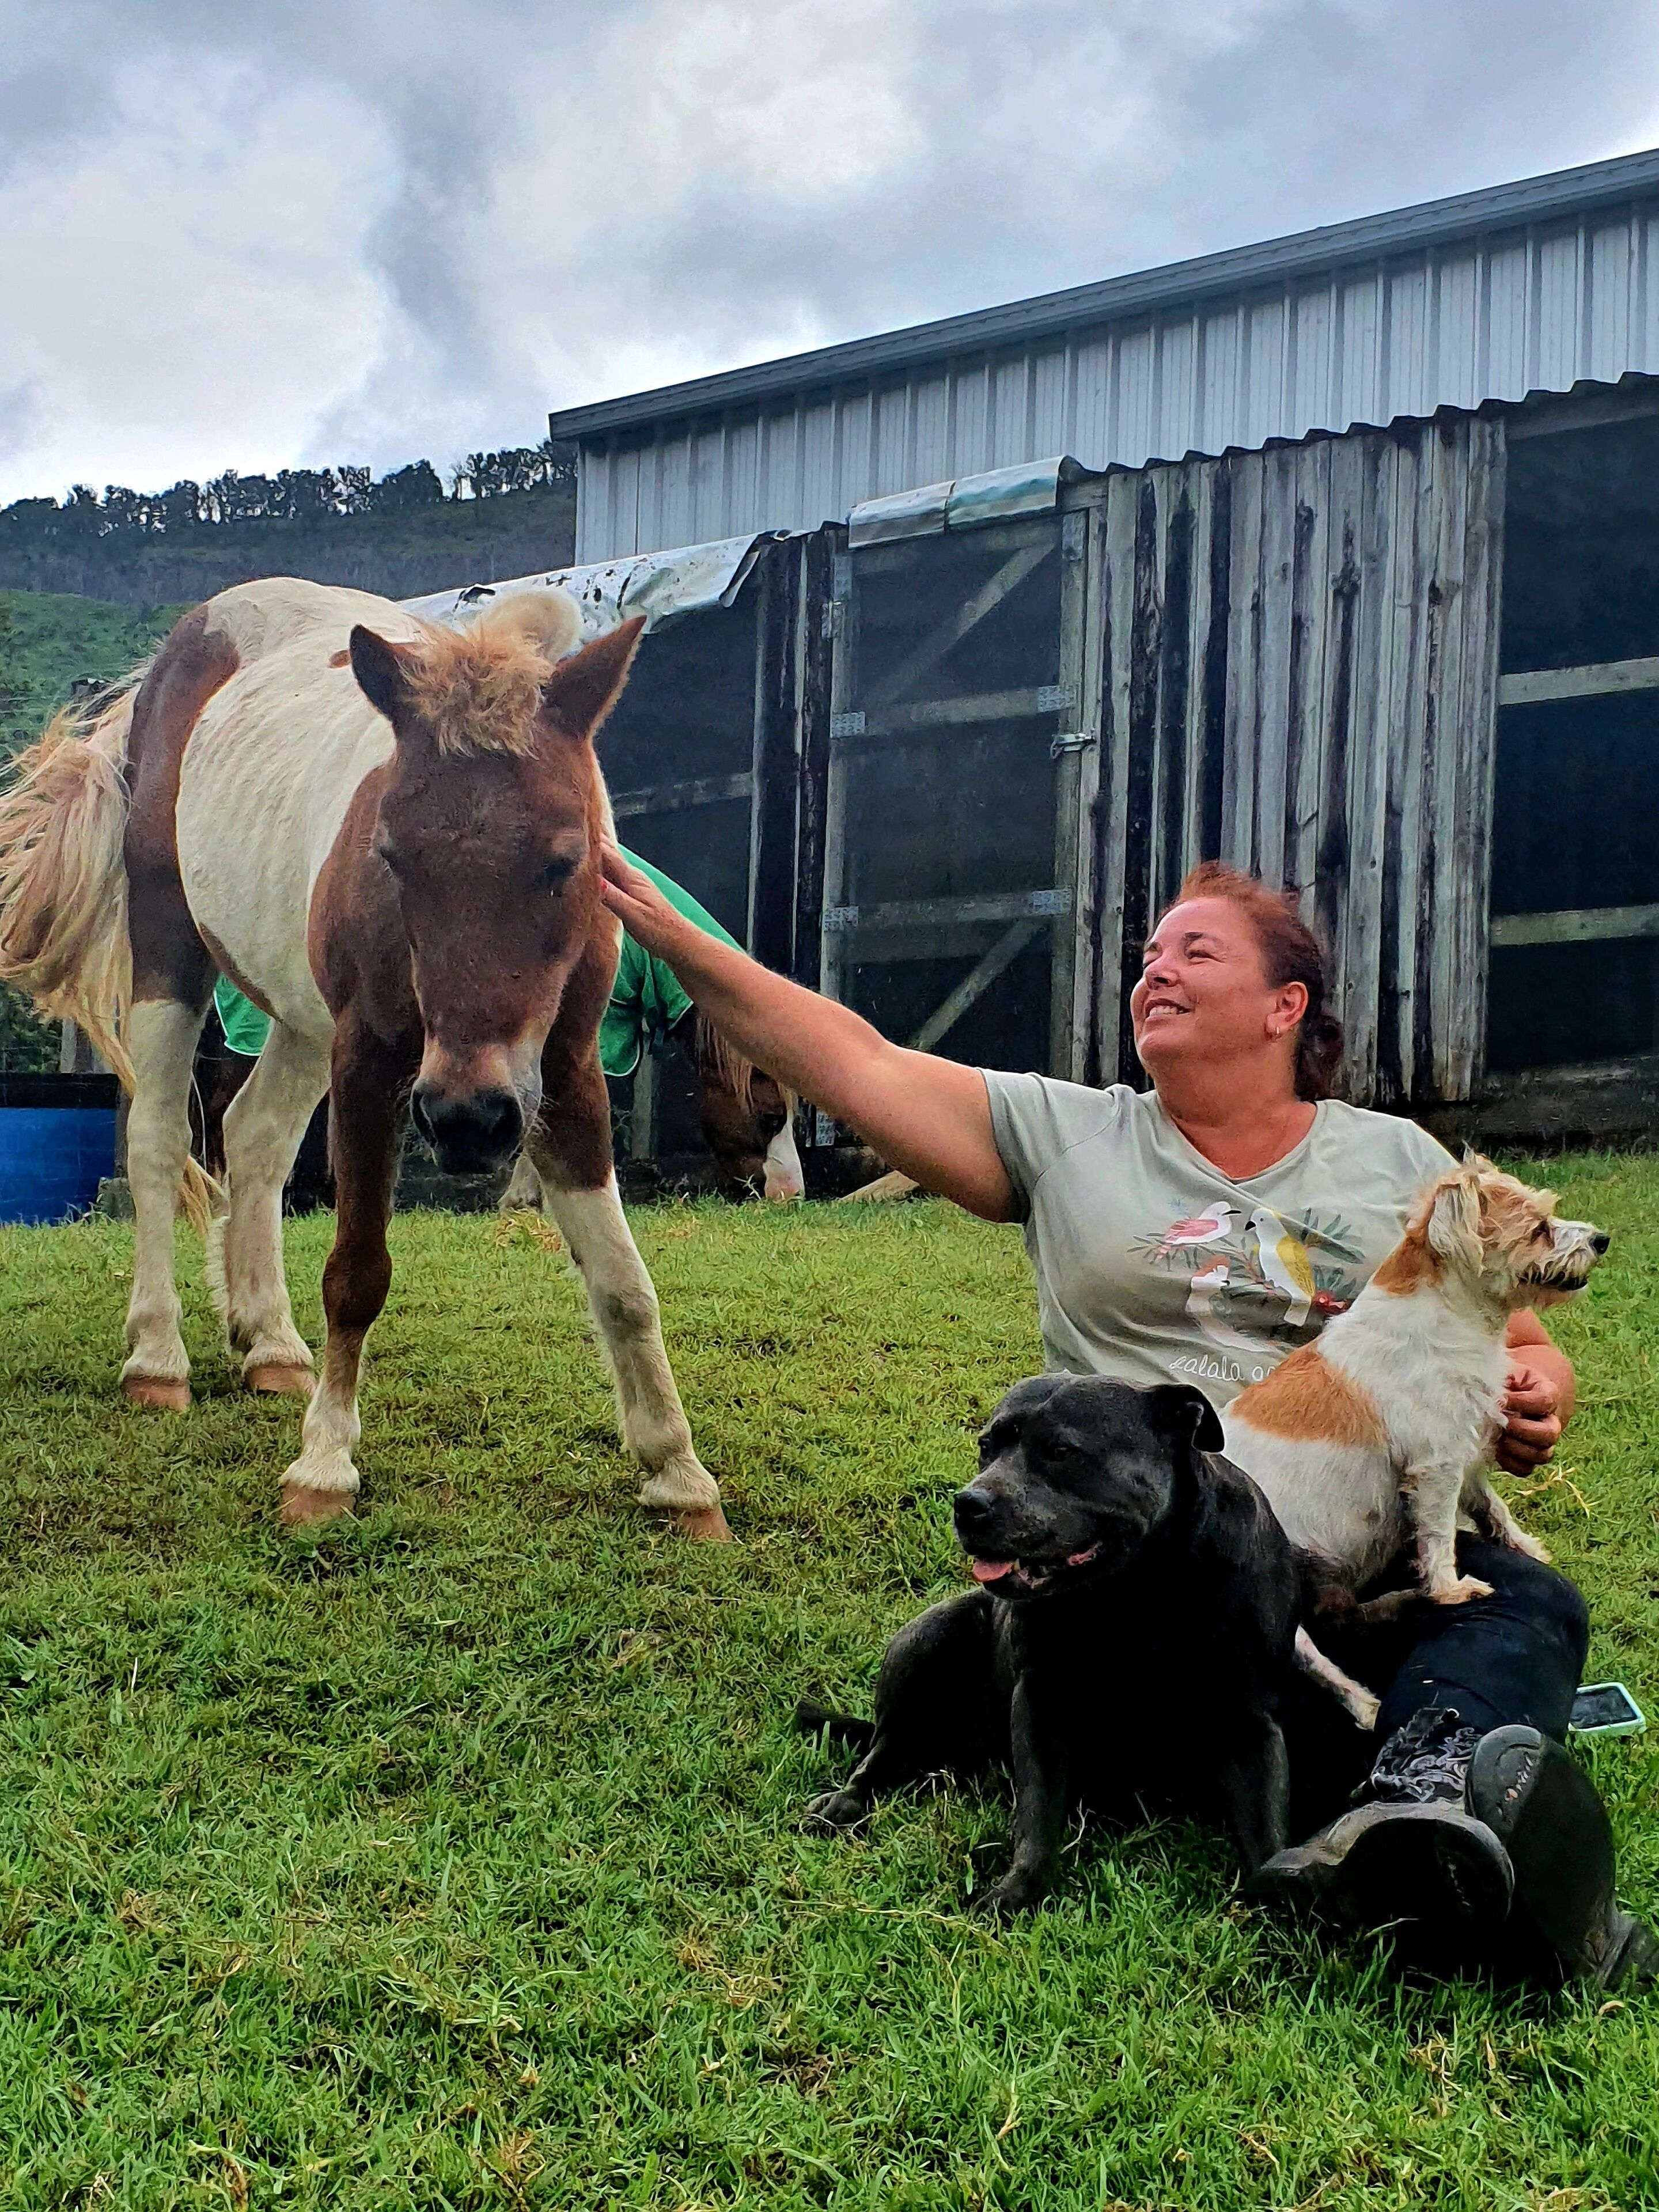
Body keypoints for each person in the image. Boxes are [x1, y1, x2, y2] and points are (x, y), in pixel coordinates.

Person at [598, 843, 1657, 1990]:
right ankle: (1351, 1783)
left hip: (1341, 1567)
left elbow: (1516, 1335)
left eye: (1194, 952)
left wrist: (1540, 1394)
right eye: (1148, 956)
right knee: (1154, 1654)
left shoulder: (1396, 1159)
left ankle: (1426, 1801)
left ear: (1283, 1006)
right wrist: (670, 939)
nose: (1153, 973)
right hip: (1153, 1569)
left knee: (1532, 1600)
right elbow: (854, 1061)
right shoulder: (1069, 1135)